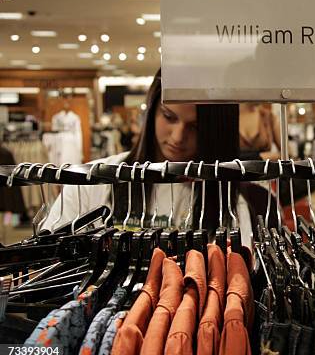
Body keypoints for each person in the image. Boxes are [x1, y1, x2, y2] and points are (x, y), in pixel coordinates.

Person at [42, 69, 270, 245]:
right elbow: (50, 260)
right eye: (169, 117)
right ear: (152, 111)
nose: (178, 137)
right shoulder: (91, 184)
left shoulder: (240, 200)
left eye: (195, 127)